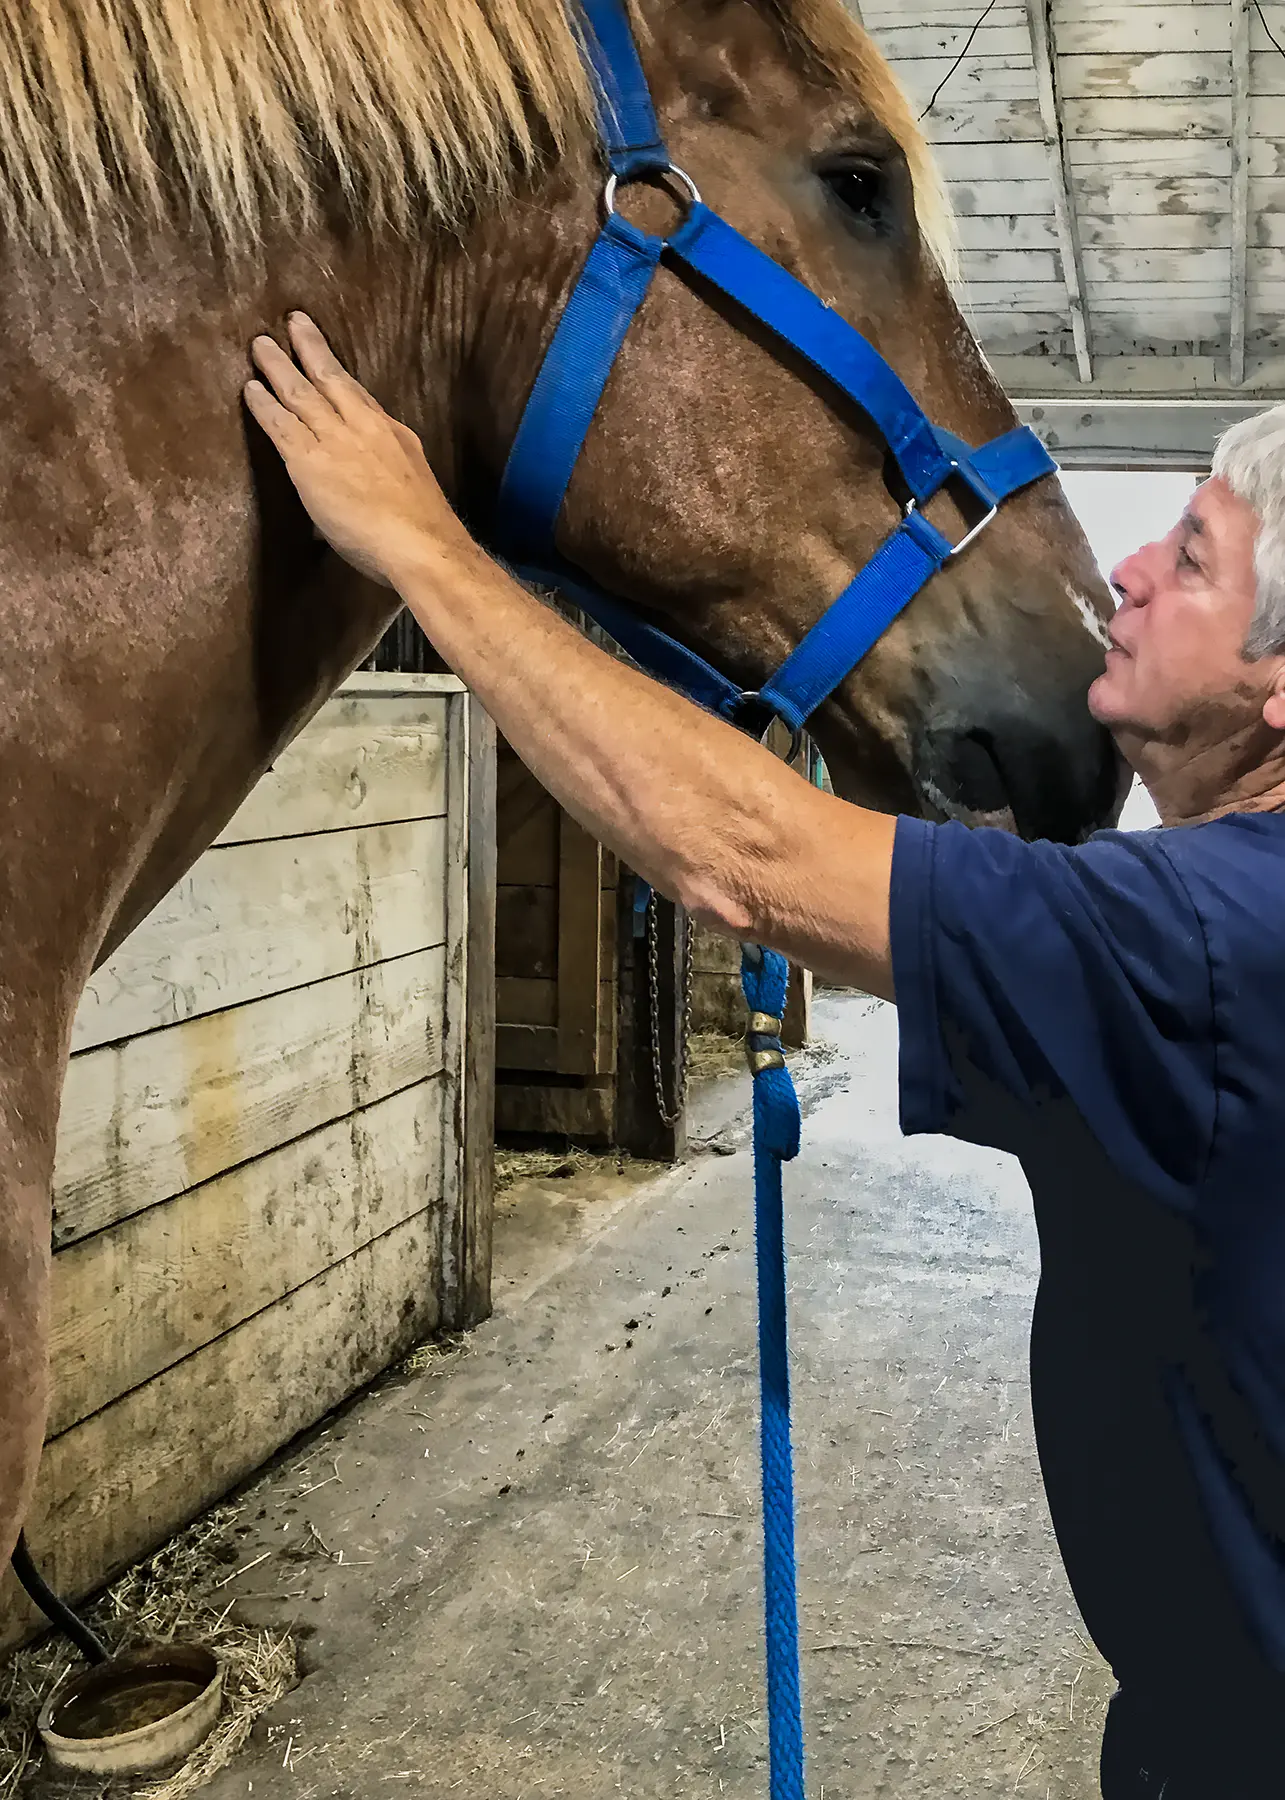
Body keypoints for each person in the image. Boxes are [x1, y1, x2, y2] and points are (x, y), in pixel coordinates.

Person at [244, 313, 1285, 1798]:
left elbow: (743, 857)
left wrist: (423, 547)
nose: (1121, 573)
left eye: (1188, 564)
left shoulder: (1206, 938)